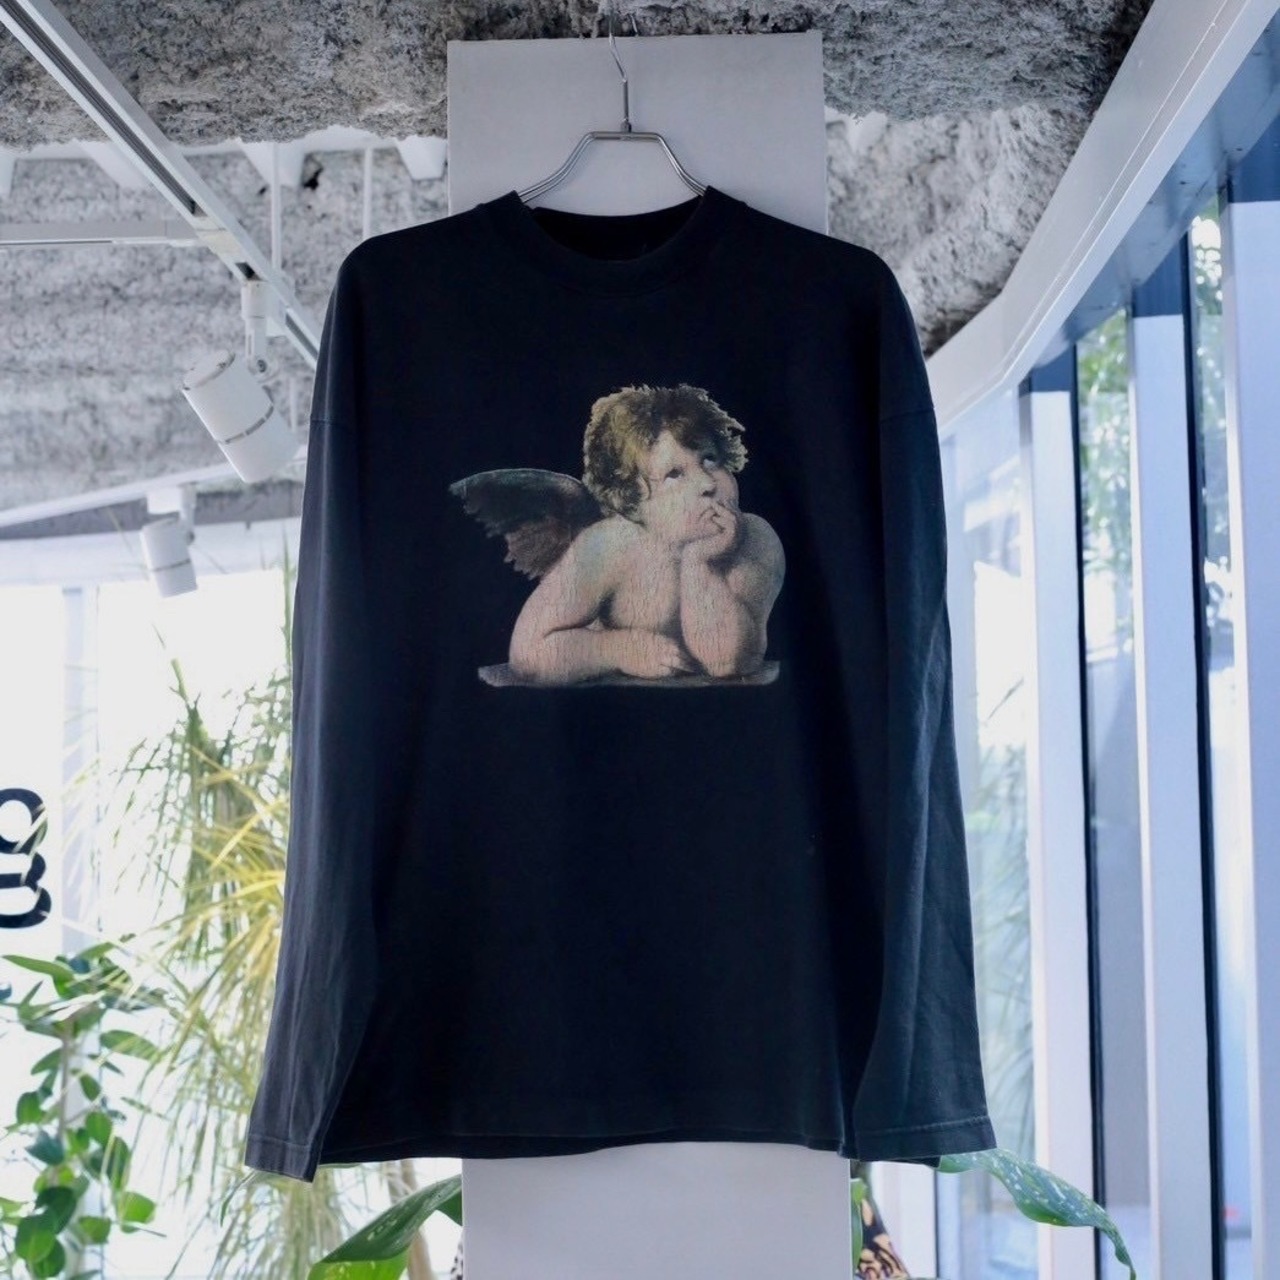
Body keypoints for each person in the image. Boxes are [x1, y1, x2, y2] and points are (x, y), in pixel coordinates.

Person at [507, 383, 785, 685]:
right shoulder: (609, 546)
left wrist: (699, 563)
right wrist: (617, 650)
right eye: (674, 474)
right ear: (631, 504)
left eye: (710, 459)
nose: (707, 483)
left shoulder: (755, 539)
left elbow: (727, 661)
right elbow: (527, 652)